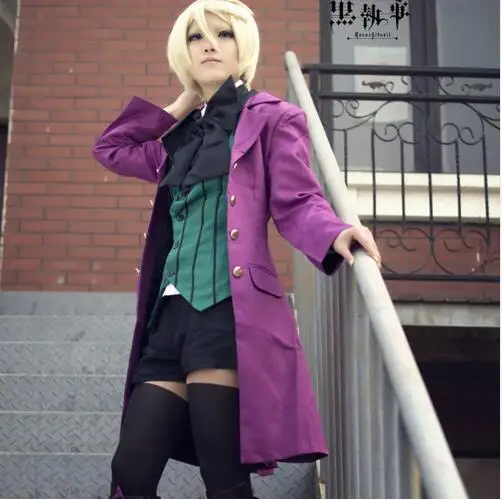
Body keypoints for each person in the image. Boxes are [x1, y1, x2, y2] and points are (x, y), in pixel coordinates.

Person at [92, 0, 381, 498]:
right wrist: (182, 103)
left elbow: (297, 200)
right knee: (131, 470)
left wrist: (335, 232)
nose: (209, 45)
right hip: (169, 318)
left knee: (223, 475)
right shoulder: (177, 137)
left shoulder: (273, 118)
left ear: (242, 45)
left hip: (226, 313)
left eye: (223, 35)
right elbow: (111, 149)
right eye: (196, 37)